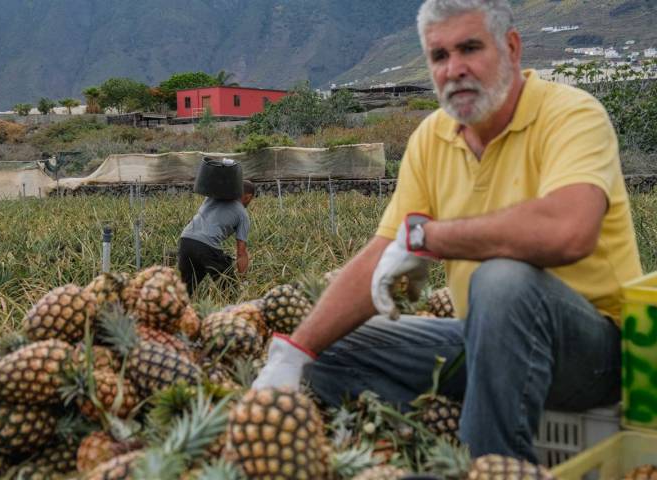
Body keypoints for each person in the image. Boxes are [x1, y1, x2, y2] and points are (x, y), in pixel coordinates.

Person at [252, 0, 643, 463]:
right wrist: (295, 352)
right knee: (334, 348)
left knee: (501, 281)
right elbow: (384, 249)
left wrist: (430, 238)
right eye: (439, 56)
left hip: (593, 355)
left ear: (512, 48)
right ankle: (423, 453)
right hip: (484, 338)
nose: (454, 68)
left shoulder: (572, 115)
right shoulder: (431, 137)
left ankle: (492, 468)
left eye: (470, 48)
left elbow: (568, 231)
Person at [178, 180, 254, 295]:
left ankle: (173, 310)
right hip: (206, 246)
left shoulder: (213, 198)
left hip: (185, 240)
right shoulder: (242, 214)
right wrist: (243, 280)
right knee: (229, 291)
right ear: (248, 197)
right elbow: (241, 252)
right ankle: (232, 309)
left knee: (186, 289)